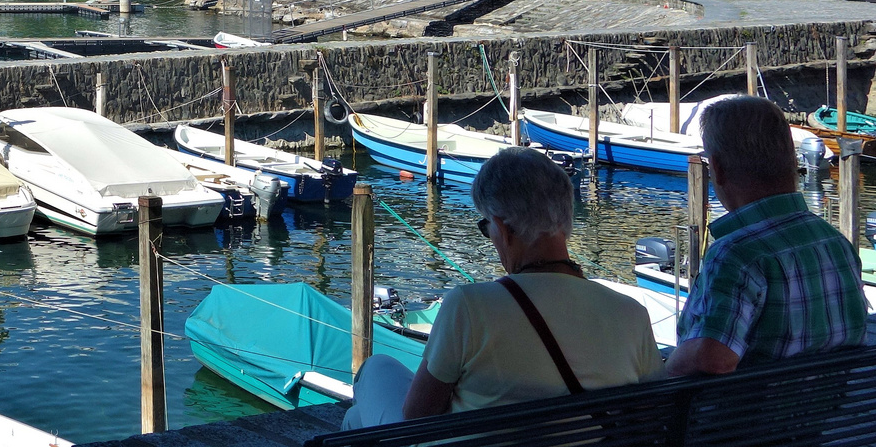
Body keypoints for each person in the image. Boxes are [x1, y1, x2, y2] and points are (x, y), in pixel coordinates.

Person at [342, 148, 661, 428]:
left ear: (504, 229)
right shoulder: (632, 314)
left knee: (374, 371)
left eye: (486, 227)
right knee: (356, 420)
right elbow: (648, 416)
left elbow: (416, 418)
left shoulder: (469, 306)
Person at [668, 96, 866, 376]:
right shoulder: (836, 243)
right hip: (830, 414)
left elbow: (711, 360)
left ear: (718, 169)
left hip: (753, 416)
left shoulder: (736, 255)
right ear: (790, 162)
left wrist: (660, 370)